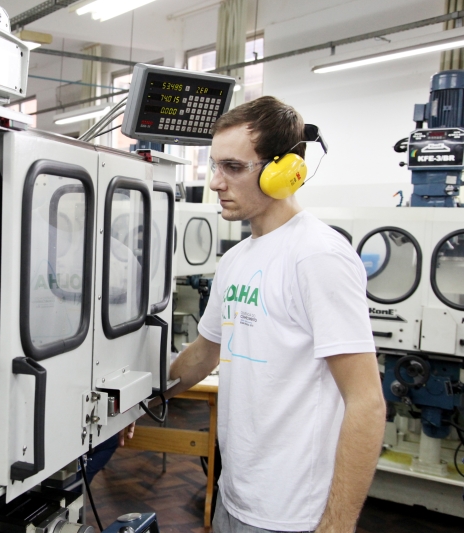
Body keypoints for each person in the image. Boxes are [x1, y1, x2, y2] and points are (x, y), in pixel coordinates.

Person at [165, 96, 386, 533]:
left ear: (285, 171)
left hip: (294, 515)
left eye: (233, 167)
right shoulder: (235, 259)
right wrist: (142, 402)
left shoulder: (317, 256)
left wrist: (337, 525)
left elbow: (367, 401)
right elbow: (204, 353)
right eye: (214, 166)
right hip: (235, 496)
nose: (215, 183)